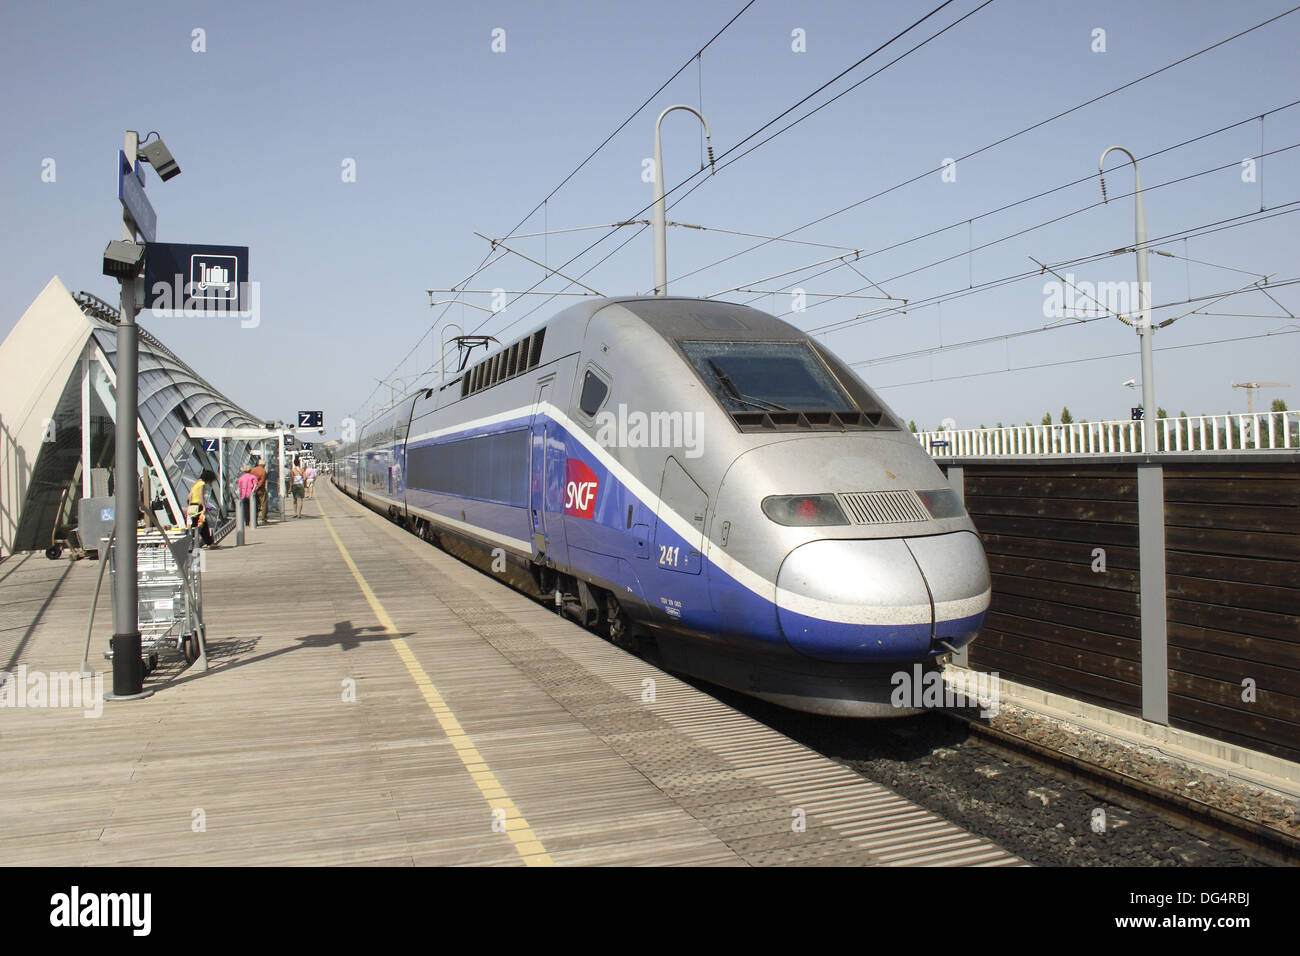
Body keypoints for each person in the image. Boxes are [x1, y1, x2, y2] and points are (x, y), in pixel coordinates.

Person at [188, 469, 217, 548]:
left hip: (192, 506)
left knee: (197, 524)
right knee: (202, 524)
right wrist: (204, 506)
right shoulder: (201, 484)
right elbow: (201, 496)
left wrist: (191, 504)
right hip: (199, 506)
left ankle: (207, 543)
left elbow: (189, 496)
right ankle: (208, 543)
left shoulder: (195, 484)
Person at [250, 458, 268, 524]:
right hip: (261, 489)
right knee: (264, 504)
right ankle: (264, 518)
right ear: (264, 465)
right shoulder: (263, 471)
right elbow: (262, 481)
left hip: (253, 489)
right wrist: (258, 487)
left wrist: (253, 488)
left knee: (255, 504)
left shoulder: (253, 470)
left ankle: (255, 519)